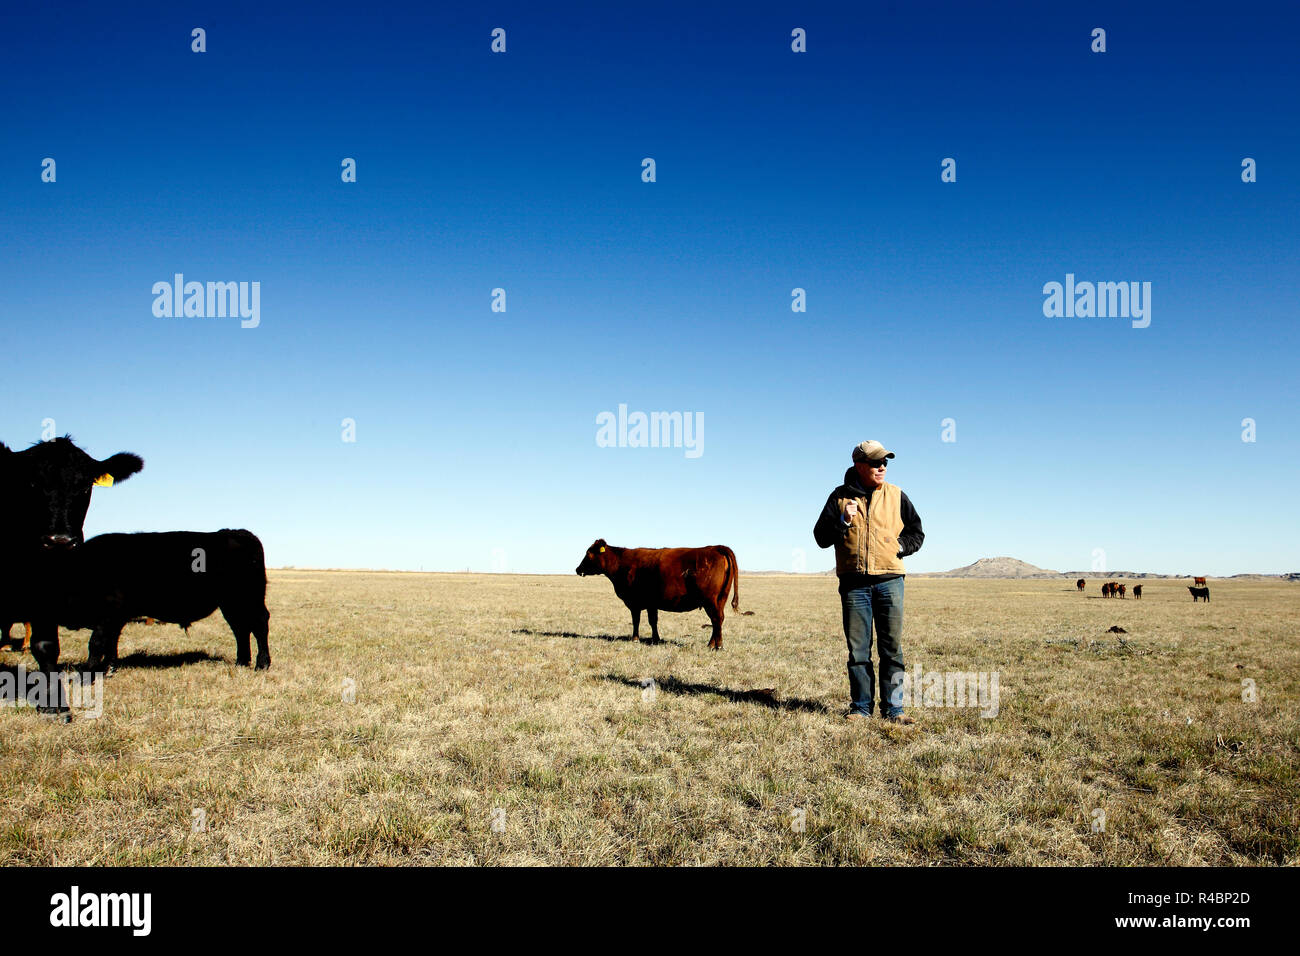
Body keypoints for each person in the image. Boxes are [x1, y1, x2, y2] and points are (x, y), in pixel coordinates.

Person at [813, 440, 924, 723]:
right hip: (854, 584)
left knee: (892, 650)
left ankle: (894, 710)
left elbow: (917, 532)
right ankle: (861, 709)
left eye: (885, 462)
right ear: (859, 466)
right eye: (876, 463)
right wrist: (842, 519)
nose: (882, 467)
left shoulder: (897, 495)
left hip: (890, 581)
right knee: (858, 651)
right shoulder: (839, 498)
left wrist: (899, 547)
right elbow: (821, 538)